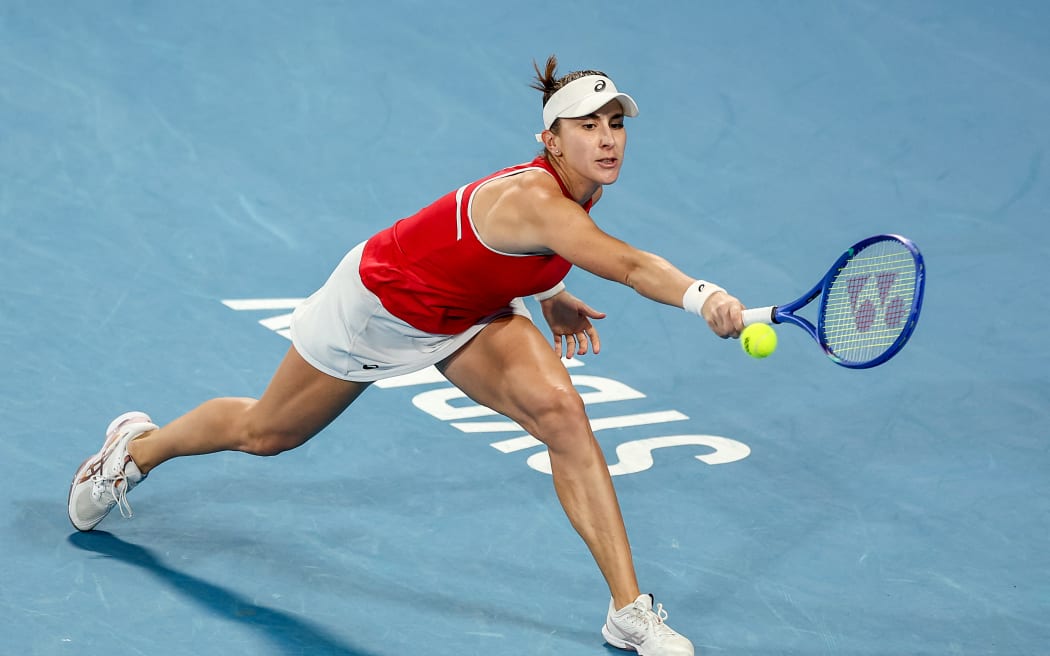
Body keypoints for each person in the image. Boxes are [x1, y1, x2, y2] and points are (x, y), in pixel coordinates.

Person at [68, 55, 745, 656]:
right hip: (376, 310)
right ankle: (134, 450)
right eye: (586, 125)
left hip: (468, 316)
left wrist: (551, 289)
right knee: (265, 433)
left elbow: (532, 251)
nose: (605, 139)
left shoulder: (575, 196)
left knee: (562, 414)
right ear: (550, 140)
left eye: (615, 124)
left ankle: (628, 611)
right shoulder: (538, 201)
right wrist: (701, 295)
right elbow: (625, 262)